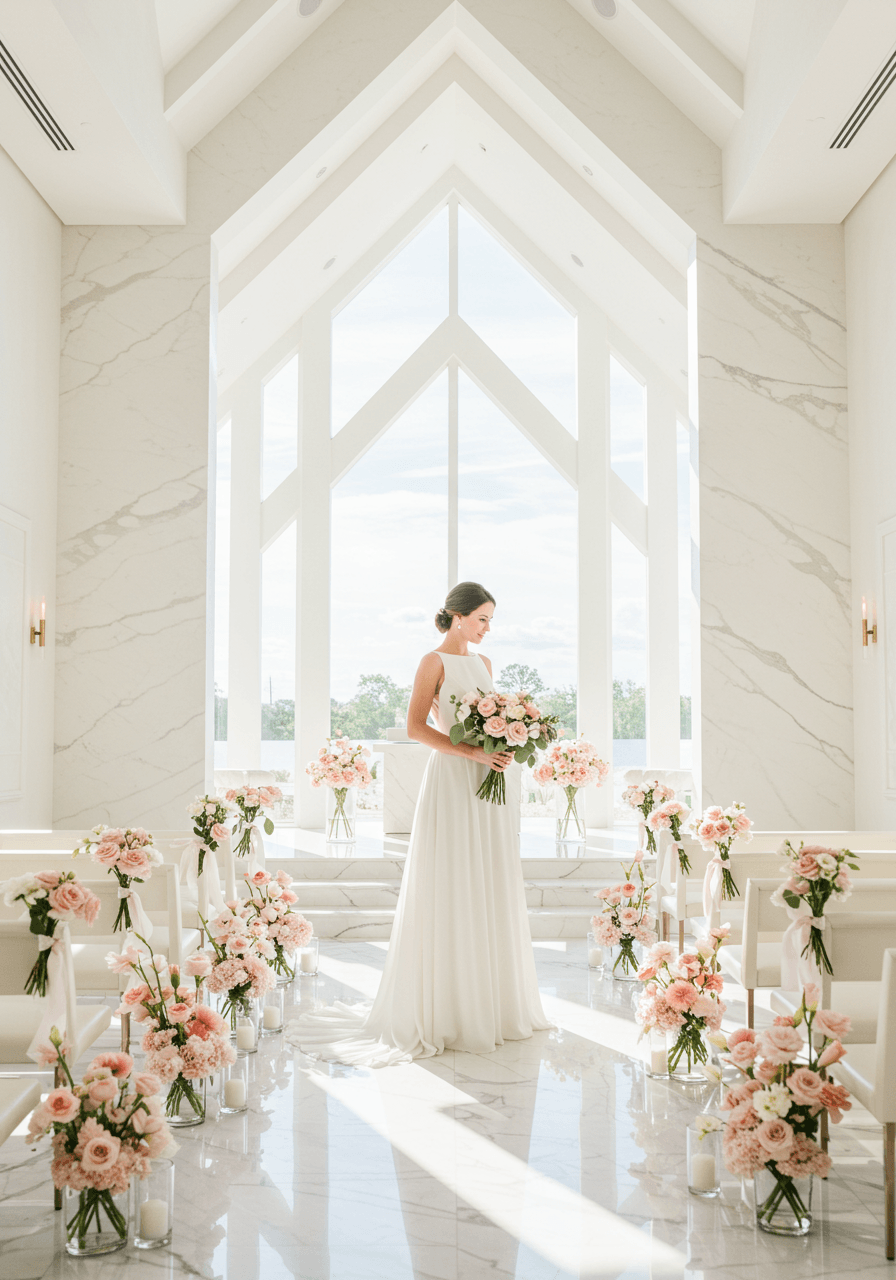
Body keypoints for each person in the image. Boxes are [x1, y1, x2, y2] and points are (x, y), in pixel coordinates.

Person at [285, 581, 551, 1065]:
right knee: (450, 878)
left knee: (487, 879)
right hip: (452, 779)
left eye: (491, 620)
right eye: (483, 619)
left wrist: (504, 744)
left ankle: (489, 1005)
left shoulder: (485, 665)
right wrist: (470, 749)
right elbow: (415, 727)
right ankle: (445, 1009)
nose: (488, 628)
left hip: (491, 785)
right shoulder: (433, 662)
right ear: (457, 614)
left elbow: (491, 722)